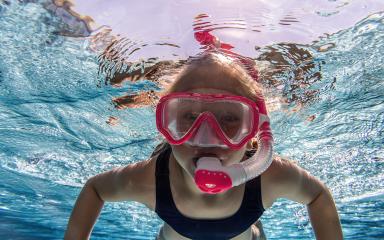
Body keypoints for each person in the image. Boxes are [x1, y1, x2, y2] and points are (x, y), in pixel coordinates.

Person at [65, 42, 343, 240]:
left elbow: (317, 196)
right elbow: (96, 189)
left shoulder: (269, 176)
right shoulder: (150, 179)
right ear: (166, 125)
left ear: (254, 134)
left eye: (230, 119)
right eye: (187, 116)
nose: (206, 136)